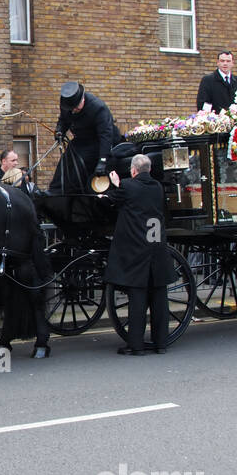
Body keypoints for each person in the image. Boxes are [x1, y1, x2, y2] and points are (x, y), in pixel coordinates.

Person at [101, 154, 173, 355]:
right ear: (149, 170)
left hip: (137, 250)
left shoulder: (127, 186)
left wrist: (115, 184)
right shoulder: (158, 187)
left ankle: (137, 345)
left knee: (138, 298)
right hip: (157, 247)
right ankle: (161, 344)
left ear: (133, 170)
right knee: (159, 297)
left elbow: (111, 201)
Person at [48, 81, 122, 195]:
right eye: (71, 109)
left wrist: (102, 161)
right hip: (81, 139)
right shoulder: (67, 106)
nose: (73, 111)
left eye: (76, 108)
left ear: (82, 99)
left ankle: (75, 191)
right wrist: (60, 131)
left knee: (80, 159)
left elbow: (106, 136)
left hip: (98, 141)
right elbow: (63, 120)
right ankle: (55, 190)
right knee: (66, 159)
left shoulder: (98, 108)